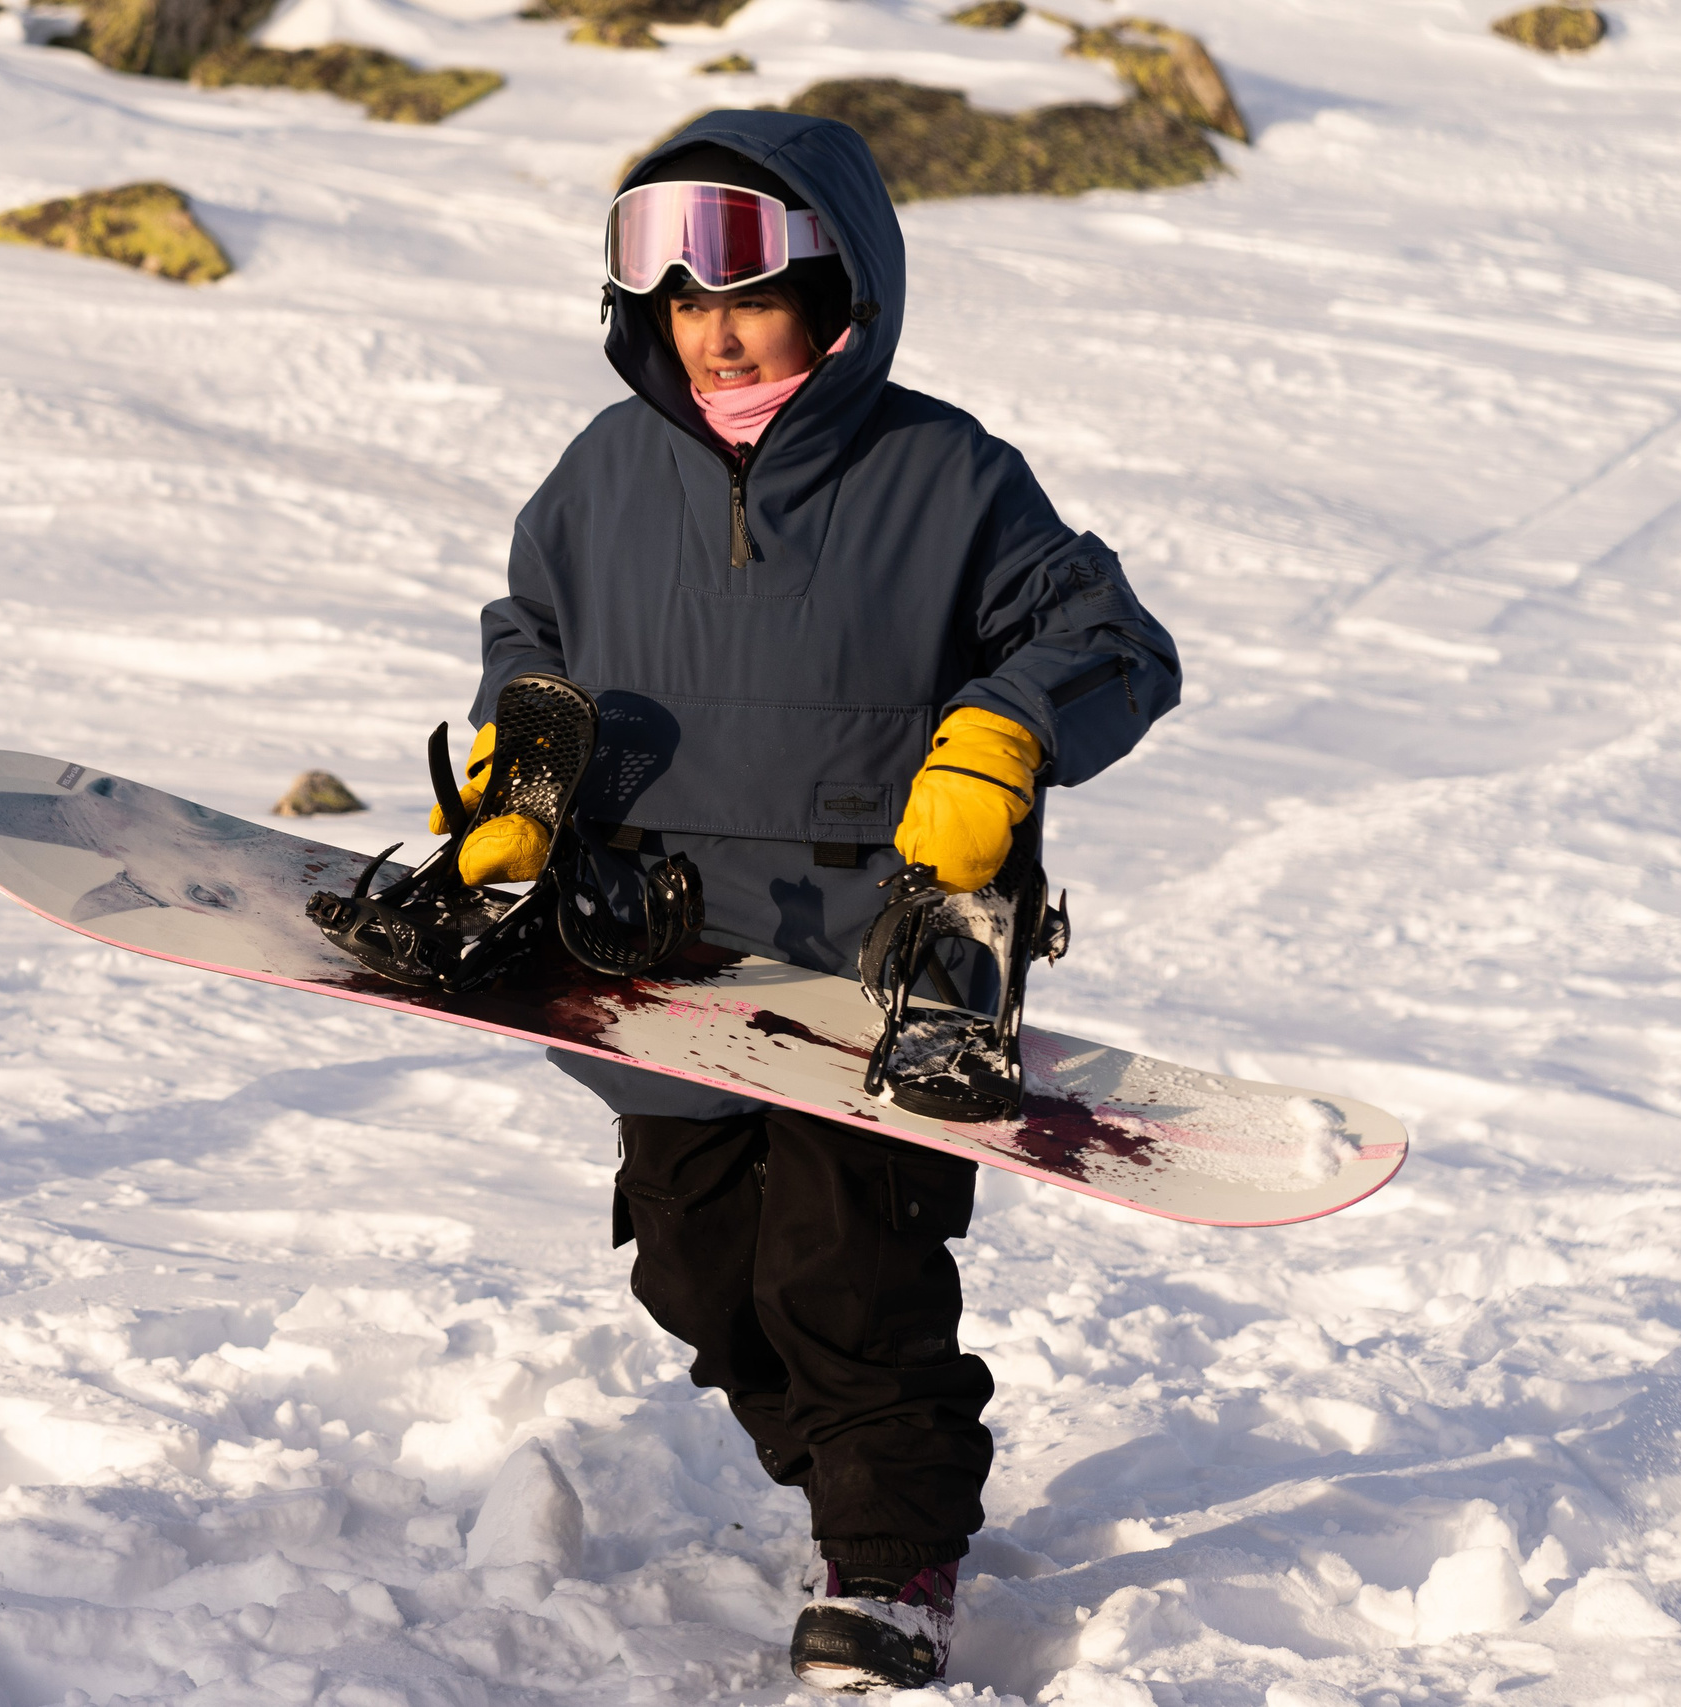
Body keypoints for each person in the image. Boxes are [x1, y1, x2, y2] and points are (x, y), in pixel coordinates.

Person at [437, 113, 1181, 1691]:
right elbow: (533, 630)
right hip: (654, 958)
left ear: (839, 289)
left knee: (848, 1280)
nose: (711, 328)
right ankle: (859, 1471)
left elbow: (1116, 642)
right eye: (678, 296)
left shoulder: (946, 474)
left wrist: (1004, 728)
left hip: (875, 974)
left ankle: (890, 1556)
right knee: (698, 1277)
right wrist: (523, 756)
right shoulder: (602, 472)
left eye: (750, 292)